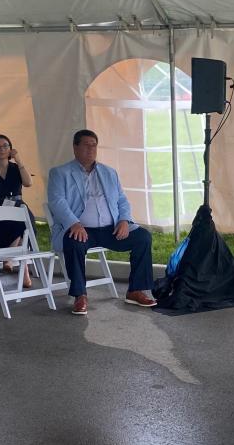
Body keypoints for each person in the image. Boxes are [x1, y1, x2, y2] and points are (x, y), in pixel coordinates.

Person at [47, 129, 155, 315]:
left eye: (94, 145)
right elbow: (57, 201)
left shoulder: (109, 172)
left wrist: (124, 220)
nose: (91, 149)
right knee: (73, 242)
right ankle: (80, 295)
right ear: (75, 147)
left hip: (109, 229)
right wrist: (74, 223)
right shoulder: (60, 173)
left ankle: (135, 290)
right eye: (86, 145)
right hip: (81, 229)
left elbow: (122, 200)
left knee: (143, 237)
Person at [0, 134, 35, 287]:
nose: (2, 149)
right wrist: (0, 211)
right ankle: (22, 268)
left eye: (5, 146)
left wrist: (19, 160)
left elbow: (28, 183)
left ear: (10, 149)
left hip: (17, 206)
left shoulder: (16, 168)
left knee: (25, 219)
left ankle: (9, 257)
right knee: (20, 225)